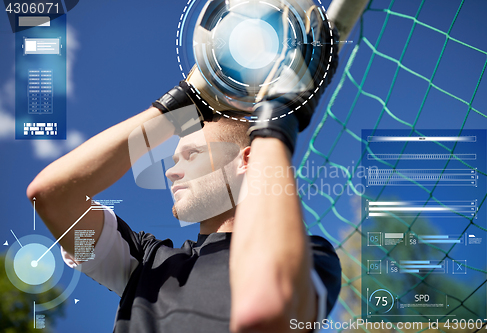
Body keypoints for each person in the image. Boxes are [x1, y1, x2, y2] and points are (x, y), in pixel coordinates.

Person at [27, 4, 341, 333]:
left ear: (247, 160)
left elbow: (266, 311)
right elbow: (50, 196)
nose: (170, 172)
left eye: (191, 154)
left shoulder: (309, 253)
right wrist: (181, 105)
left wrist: (277, 123)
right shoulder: (142, 262)